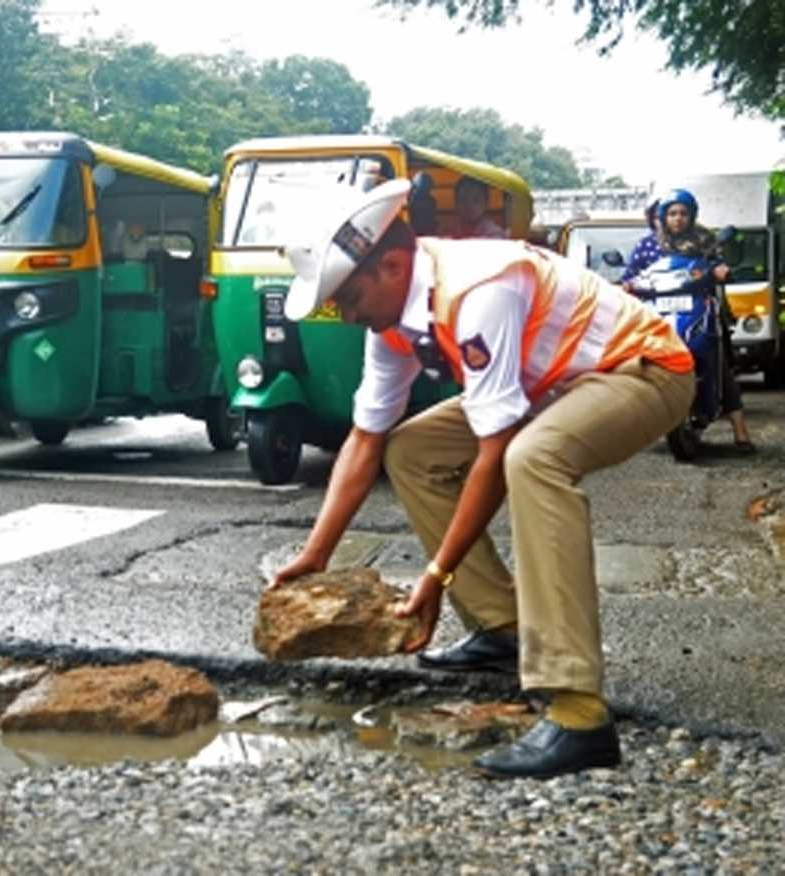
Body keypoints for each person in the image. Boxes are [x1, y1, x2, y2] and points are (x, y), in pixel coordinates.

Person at [271, 179, 694, 779]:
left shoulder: (478, 289)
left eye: (348, 296)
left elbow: (495, 455)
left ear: (392, 266)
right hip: (553, 384)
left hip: (643, 370)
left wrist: (436, 575)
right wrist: (314, 555)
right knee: (411, 448)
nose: (344, 314)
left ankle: (578, 713)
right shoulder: (391, 322)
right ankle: (501, 628)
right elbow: (365, 440)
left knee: (533, 458)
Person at [623, 188, 755, 454]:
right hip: (658, 311)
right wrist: (626, 284)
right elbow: (631, 274)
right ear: (663, 217)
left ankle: (741, 432)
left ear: (692, 216)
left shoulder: (705, 241)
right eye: (672, 213)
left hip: (699, 308)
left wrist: (721, 270)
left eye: (683, 213)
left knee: (718, 362)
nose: (678, 218)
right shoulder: (649, 245)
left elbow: (718, 264)